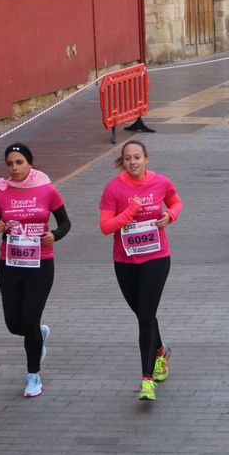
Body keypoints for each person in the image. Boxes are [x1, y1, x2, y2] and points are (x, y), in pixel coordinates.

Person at [0, 143, 71, 397]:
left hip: (40, 264)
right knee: (14, 324)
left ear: (29, 163)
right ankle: (38, 334)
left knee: (30, 319)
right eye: (10, 163)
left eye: (19, 162)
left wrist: (54, 235)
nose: (14, 168)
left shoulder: (47, 190)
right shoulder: (1, 193)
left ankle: (34, 376)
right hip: (10, 264)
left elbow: (65, 222)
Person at [99, 140, 181, 401]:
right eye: (127, 158)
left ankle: (147, 380)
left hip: (156, 257)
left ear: (147, 159)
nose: (133, 162)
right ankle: (159, 351)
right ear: (122, 162)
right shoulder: (114, 188)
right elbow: (105, 226)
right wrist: (131, 211)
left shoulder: (161, 182)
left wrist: (170, 215)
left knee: (146, 317)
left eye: (137, 157)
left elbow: (176, 202)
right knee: (143, 314)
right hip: (125, 261)